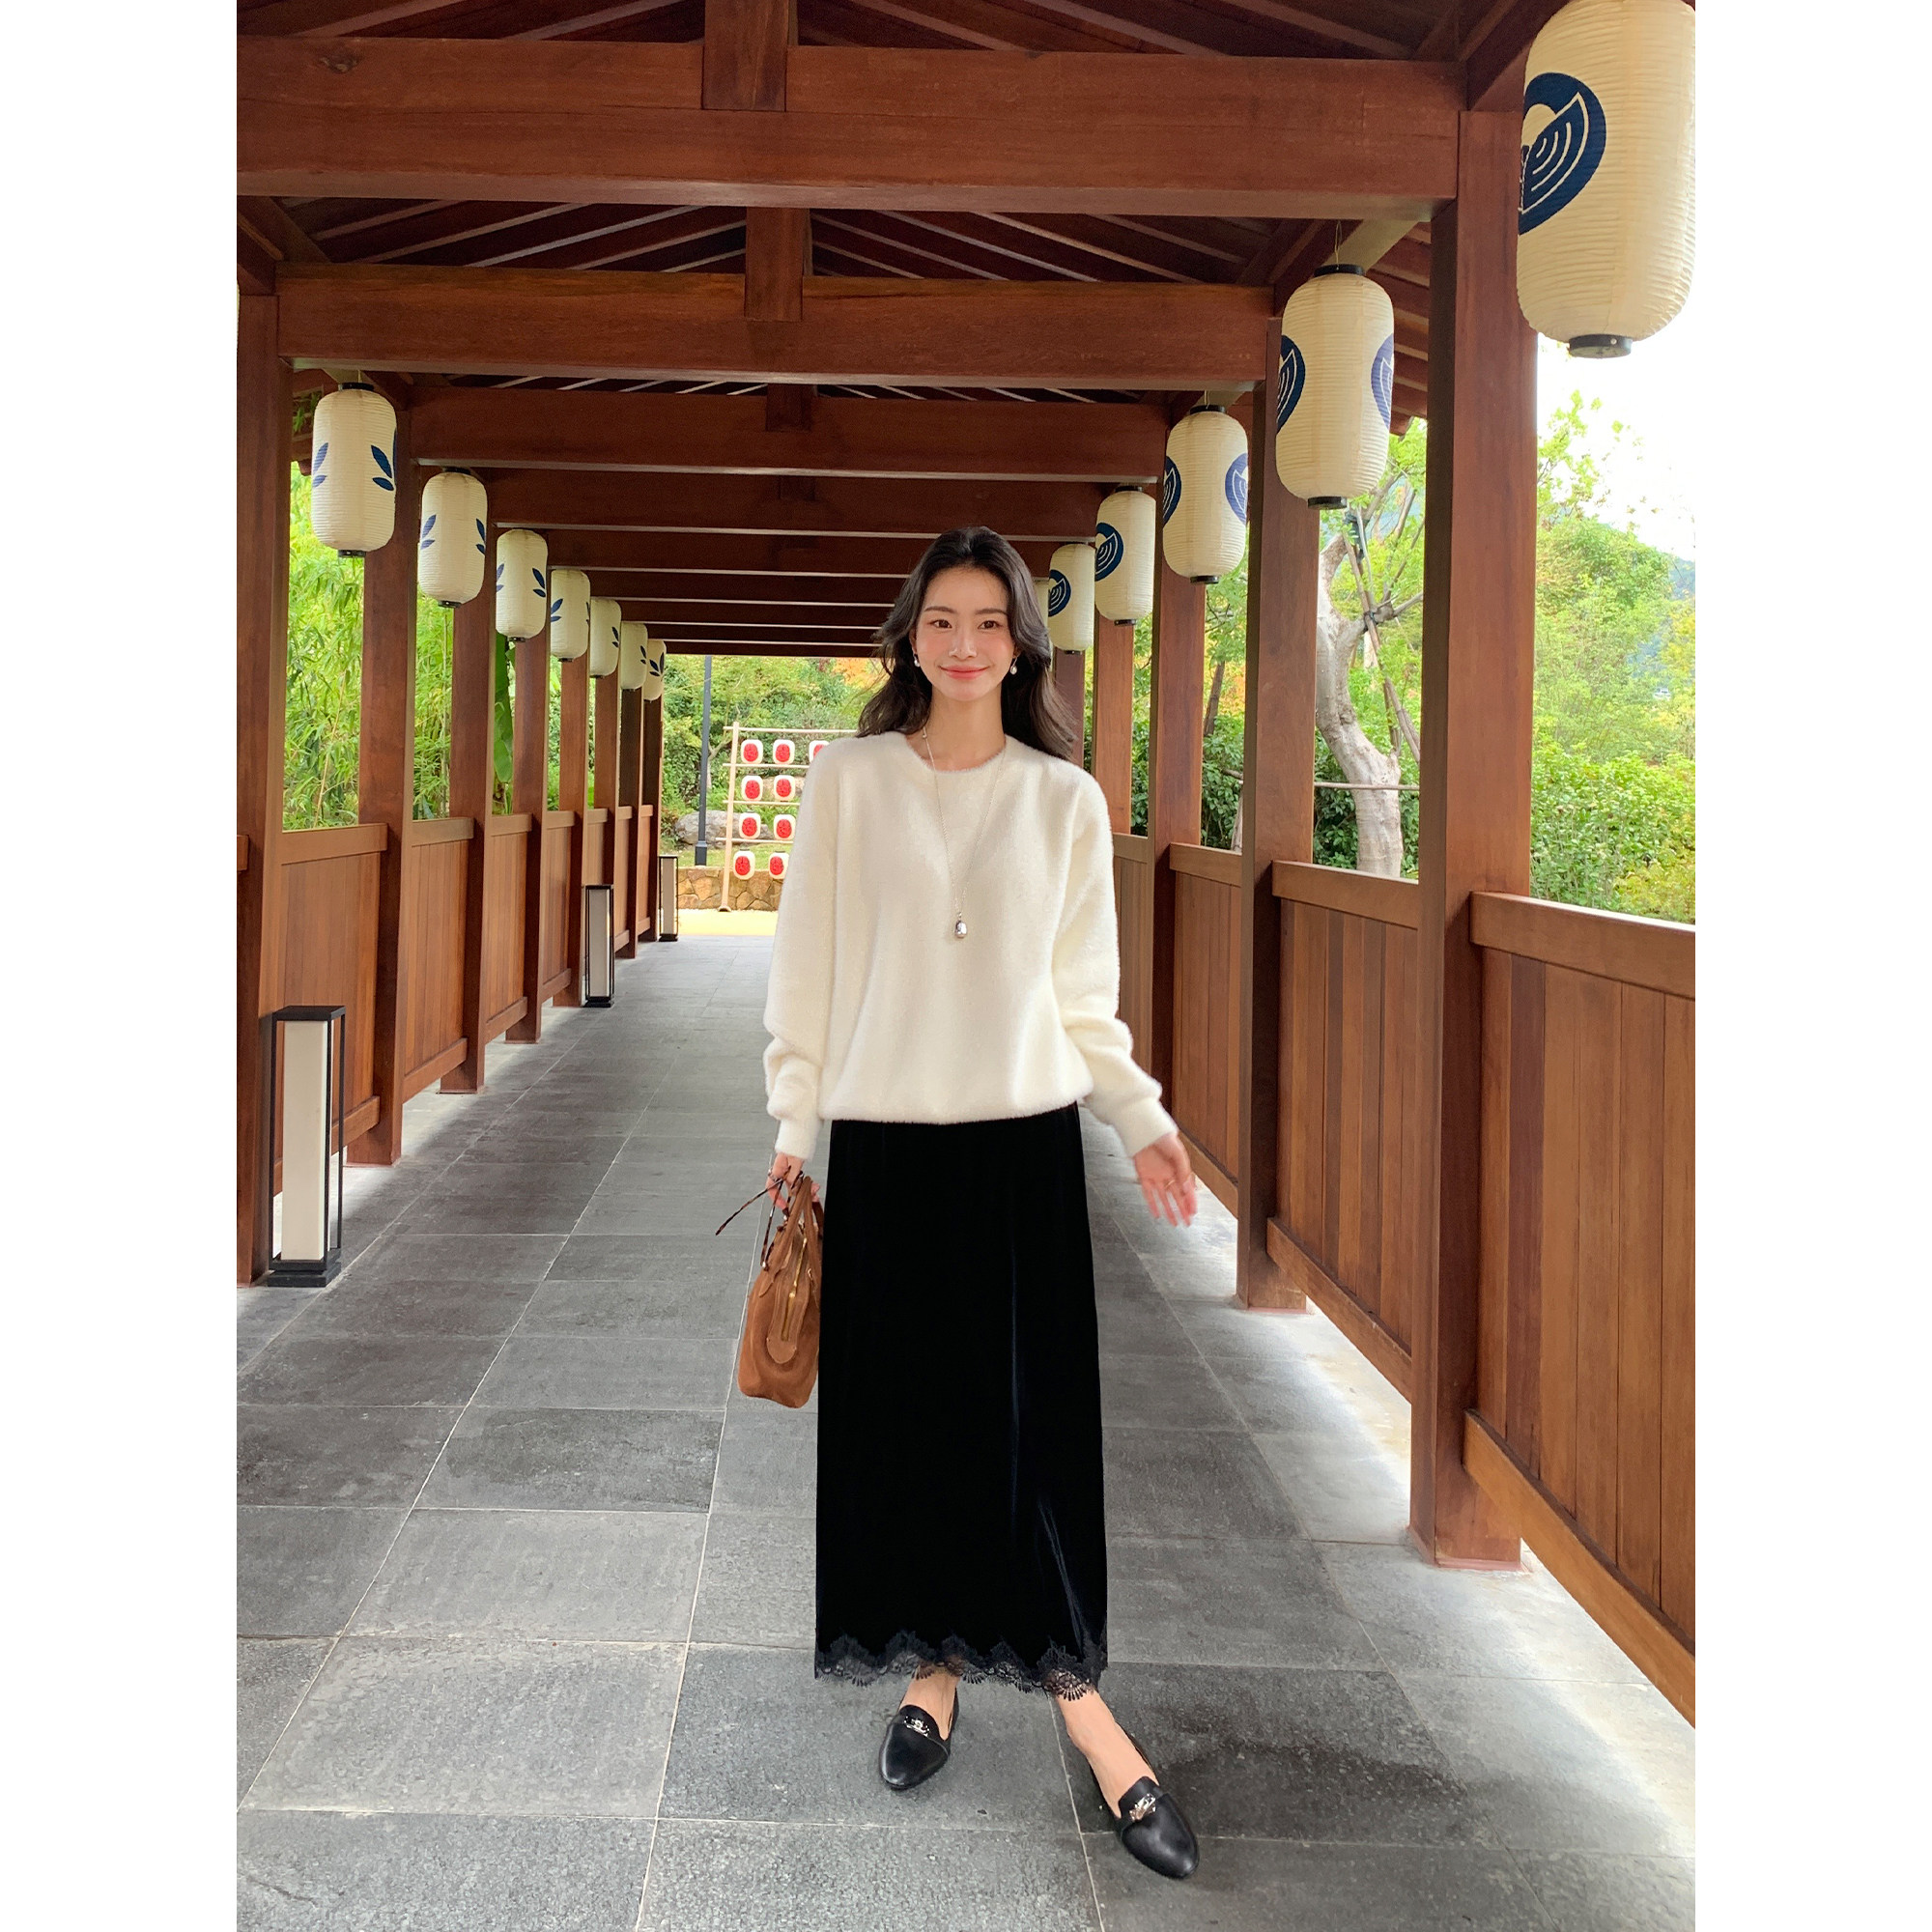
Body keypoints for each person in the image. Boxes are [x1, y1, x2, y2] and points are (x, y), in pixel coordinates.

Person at [760, 526, 1202, 1882]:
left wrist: (1141, 1119)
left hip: (1022, 1156)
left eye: (988, 623)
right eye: (941, 621)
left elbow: (1084, 1000)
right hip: (887, 1151)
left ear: (1020, 646)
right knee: (906, 1425)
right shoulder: (849, 782)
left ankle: (1088, 1714)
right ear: (911, 638)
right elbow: (806, 965)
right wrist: (794, 1124)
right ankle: (932, 1673)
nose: (963, 645)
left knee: (1032, 1432)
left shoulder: (1064, 801)